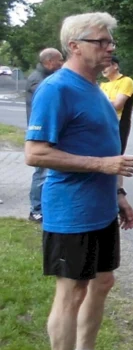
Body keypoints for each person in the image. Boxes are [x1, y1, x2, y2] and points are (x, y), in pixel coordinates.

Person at [24, 13, 133, 350]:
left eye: (110, 42)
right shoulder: (57, 89)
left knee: (102, 282)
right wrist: (104, 167)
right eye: (102, 41)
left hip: (102, 207)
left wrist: (118, 193)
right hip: (70, 210)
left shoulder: (95, 88)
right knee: (71, 291)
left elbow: (105, 148)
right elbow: (35, 153)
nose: (110, 48)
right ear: (75, 45)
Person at [24, 48, 64, 222]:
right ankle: (36, 210)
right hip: (41, 133)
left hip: (48, 130)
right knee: (41, 172)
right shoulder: (38, 81)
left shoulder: (46, 78)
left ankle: (45, 207)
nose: (62, 63)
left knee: (48, 172)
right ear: (49, 62)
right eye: (59, 60)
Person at [99, 56, 133, 153]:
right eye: (101, 67)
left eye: (106, 66)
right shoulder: (103, 85)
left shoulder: (126, 81)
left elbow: (118, 105)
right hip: (103, 124)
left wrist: (100, 103)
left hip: (118, 125)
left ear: (115, 66)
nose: (103, 69)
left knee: (114, 156)